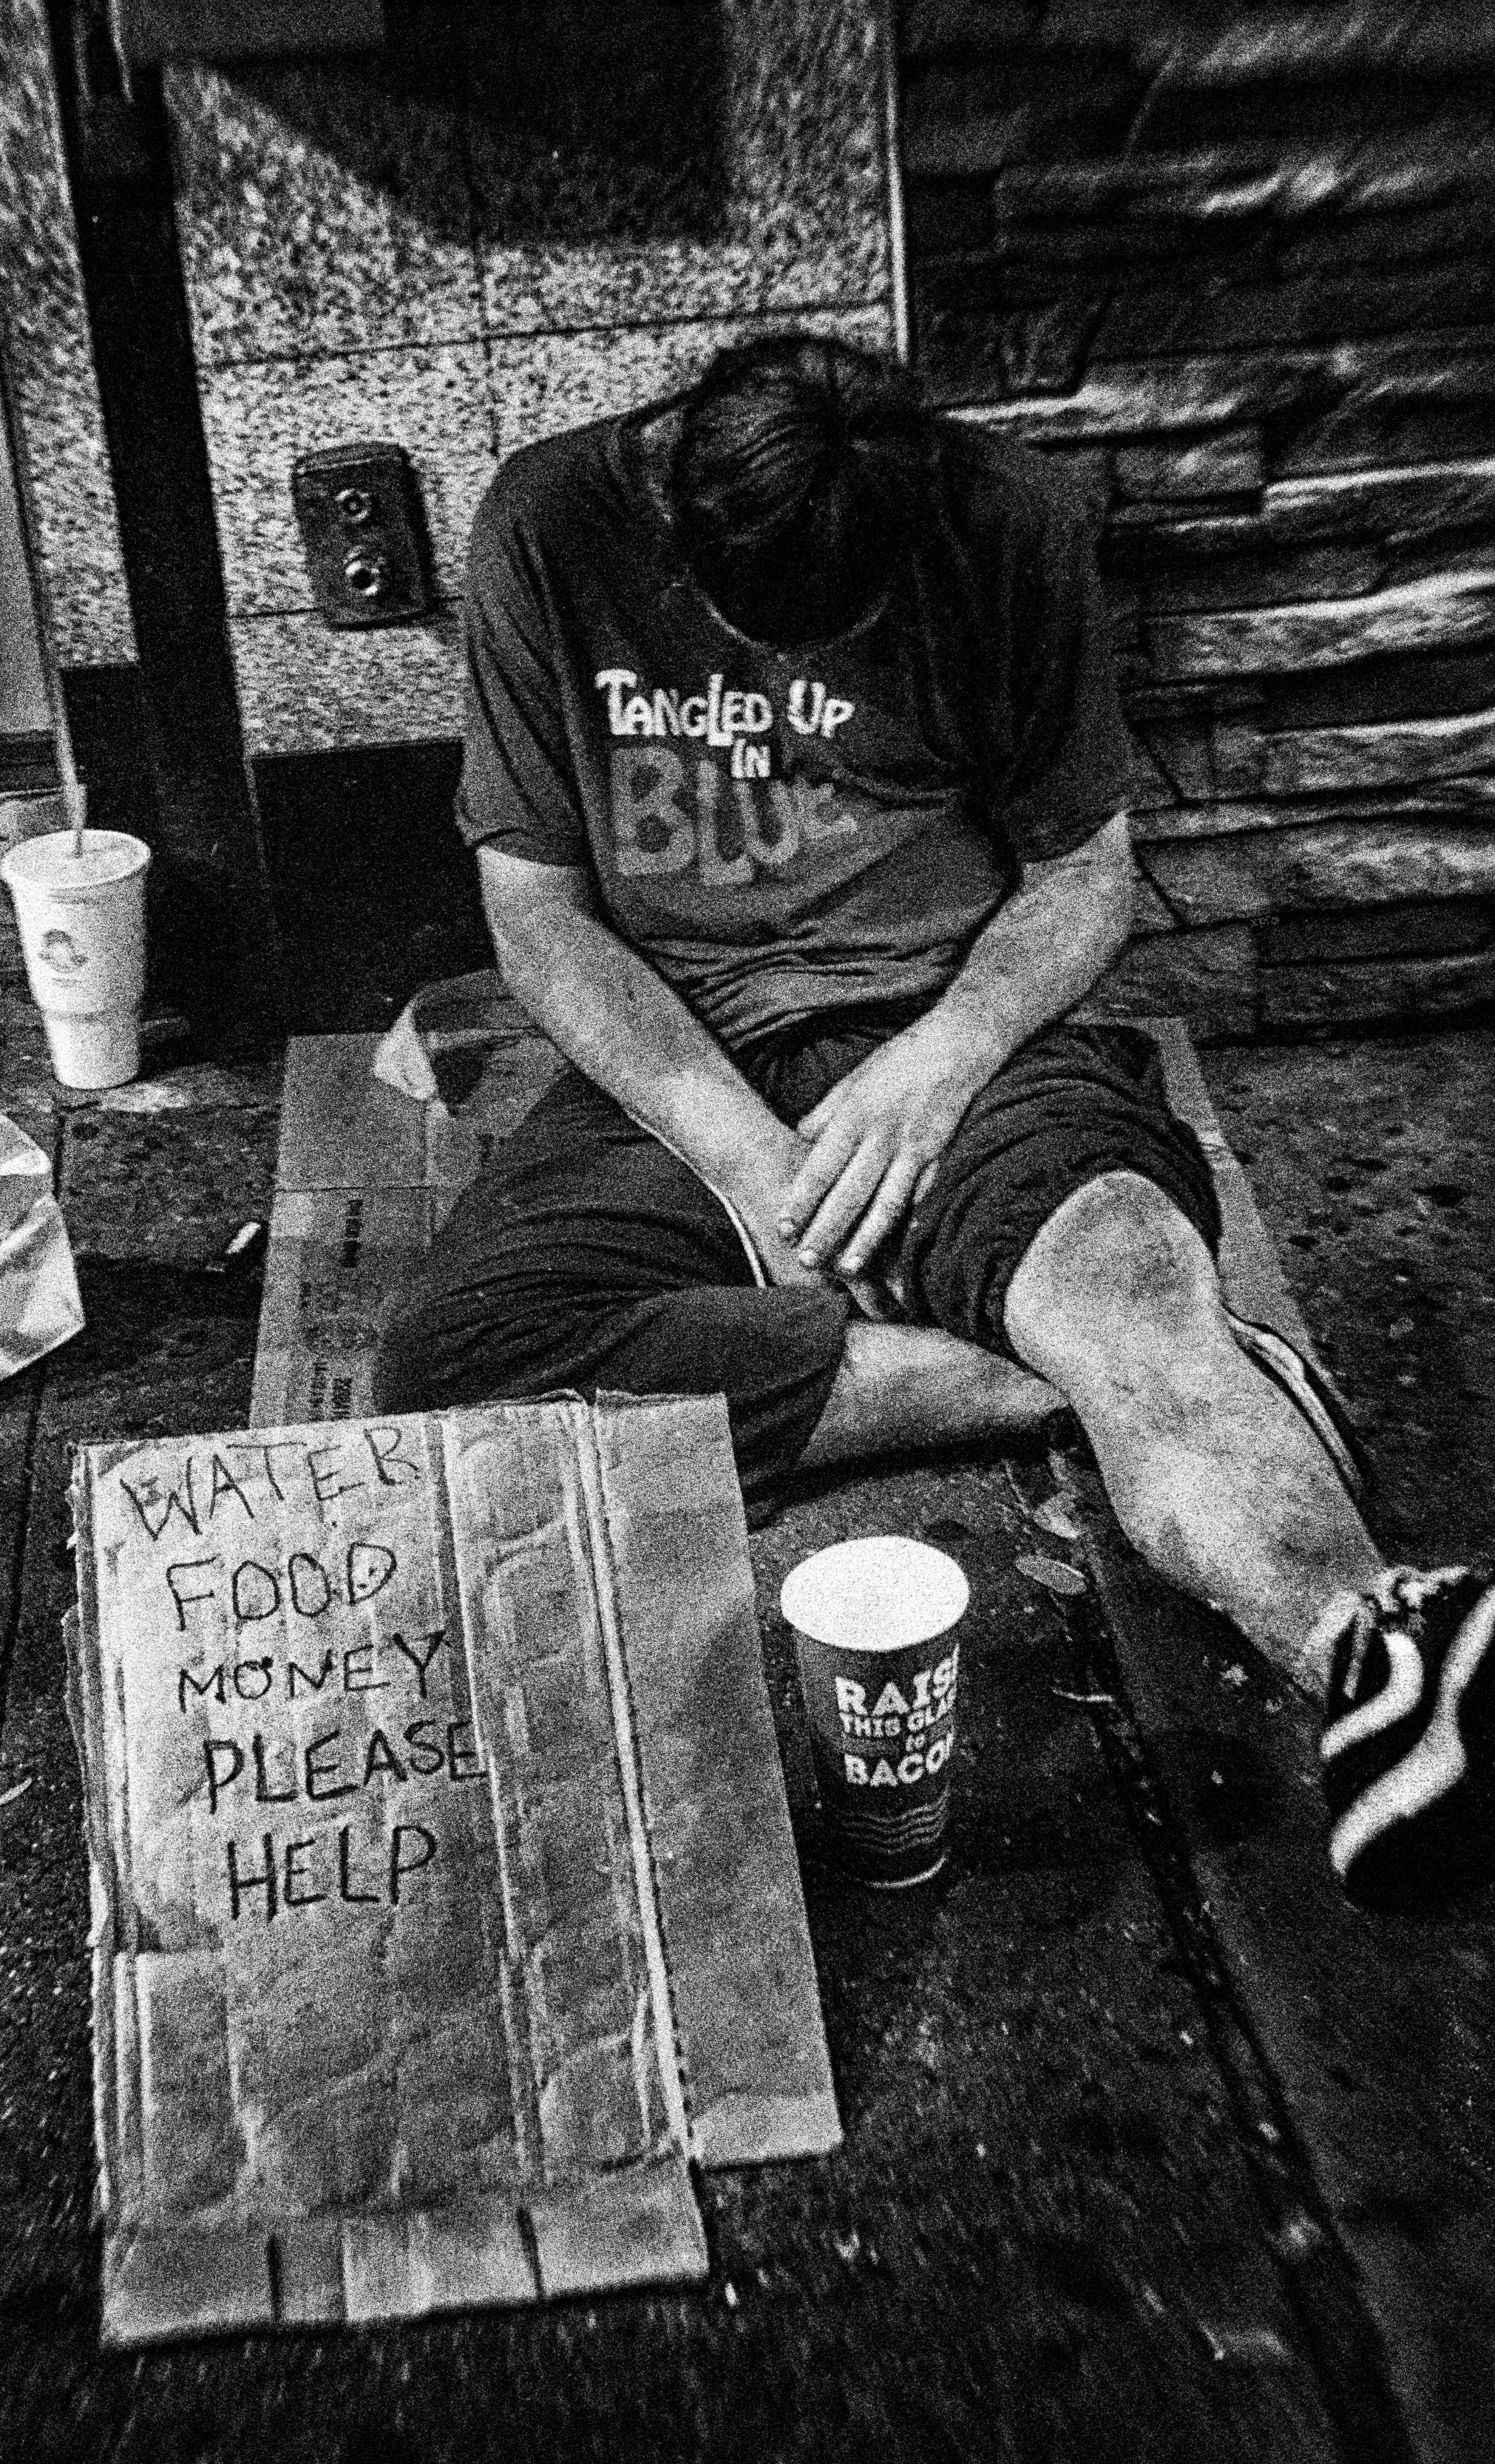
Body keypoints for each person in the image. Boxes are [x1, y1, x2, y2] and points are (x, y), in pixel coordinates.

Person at [374, 331, 1491, 1904]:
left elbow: (1083, 874)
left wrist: (940, 1058)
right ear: (680, 531)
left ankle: (1378, 1646)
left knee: (1119, 1273)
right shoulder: (549, 521)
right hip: (680, 1052)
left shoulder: (1008, 516)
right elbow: (539, 919)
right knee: (452, 1373)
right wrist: (750, 1159)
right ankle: (1086, 1376)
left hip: (953, 1033)